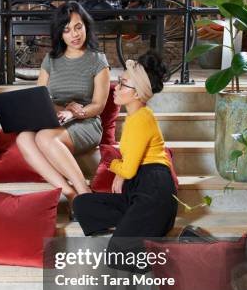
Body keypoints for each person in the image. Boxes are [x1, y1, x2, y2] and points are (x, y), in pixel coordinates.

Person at [72, 51, 177, 269]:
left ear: (138, 93)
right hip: (138, 186)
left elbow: (129, 169)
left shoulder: (141, 119)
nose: (116, 88)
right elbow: (130, 165)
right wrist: (122, 172)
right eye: (118, 82)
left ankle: (182, 249)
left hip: (154, 188)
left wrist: (113, 165)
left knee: (117, 255)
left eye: (123, 84)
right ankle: (138, 223)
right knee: (82, 204)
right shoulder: (134, 117)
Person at [16, 1, 110, 218]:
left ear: (86, 26)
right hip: (55, 118)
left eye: (78, 27)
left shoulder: (98, 60)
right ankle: (70, 194)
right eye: (67, 30)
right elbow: (40, 98)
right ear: (60, 34)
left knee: (45, 138)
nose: (74, 35)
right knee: (23, 138)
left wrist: (75, 112)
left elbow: (98, 105)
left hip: (87, 122)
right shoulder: (51, 60)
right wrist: (62, 109)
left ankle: (85, 193)